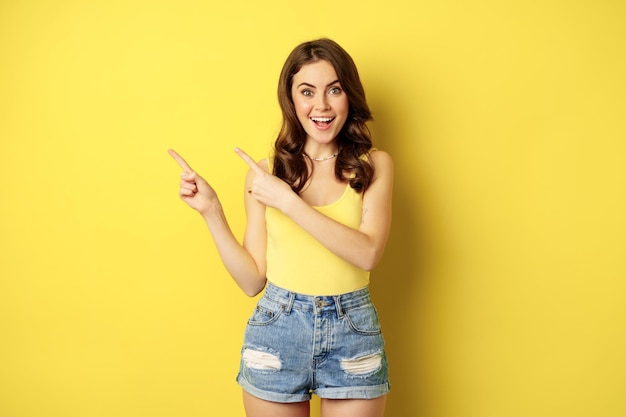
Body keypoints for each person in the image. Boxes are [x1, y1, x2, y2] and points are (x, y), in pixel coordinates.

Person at [169, 38, 393, 417]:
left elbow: (368, 253)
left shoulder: (374, 165)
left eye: (333, 90)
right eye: (307, 92)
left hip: (352, 332)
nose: (320, 106)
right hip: (278, 328)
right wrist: (211, 211)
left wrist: (289, 201)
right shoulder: (265, 174)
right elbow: (252, 281)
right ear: (291, 100)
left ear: (349, 96)